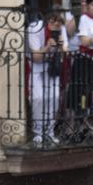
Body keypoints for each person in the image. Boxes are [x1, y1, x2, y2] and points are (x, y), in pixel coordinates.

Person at [25, 10, 68, 145]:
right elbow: (36, 57)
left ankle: (49, 132)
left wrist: (61, 47)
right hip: (36, 67)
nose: (56, 26)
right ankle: (38, 132)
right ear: (47, 22)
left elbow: (65, 52)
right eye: (53, 22)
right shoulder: (34, 29)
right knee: (38, 98)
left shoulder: (61, 30)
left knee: (54, 98)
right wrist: (47, 47)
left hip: (52, 67)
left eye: (59, 23)